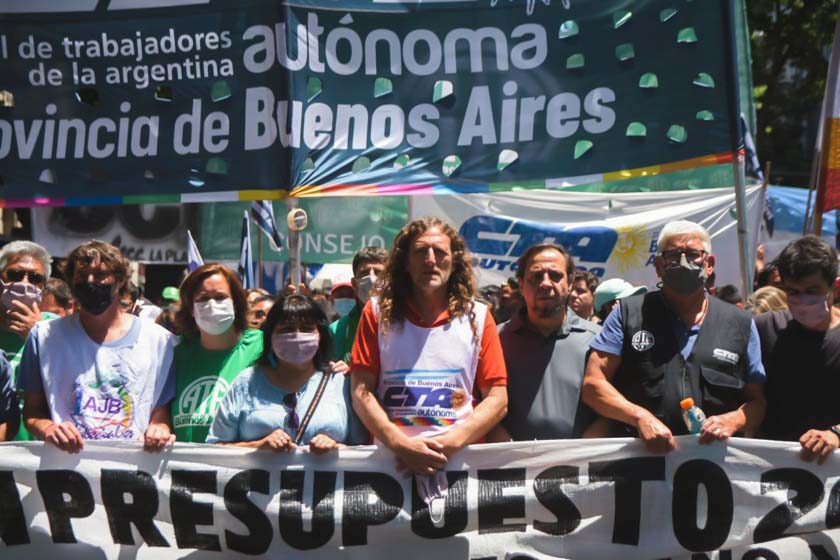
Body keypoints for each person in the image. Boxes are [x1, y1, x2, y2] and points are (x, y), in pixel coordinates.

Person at [582, 220, 766, 453]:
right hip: (640, 465)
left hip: (715, 465)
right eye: (673, 255)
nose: (682, 262)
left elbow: (757, 402)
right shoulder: (627, 314)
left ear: (709, 264)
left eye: (692, 254)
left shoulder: (740, 323)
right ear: (658, 265)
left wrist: (734, 420)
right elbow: (593, 384)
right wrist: (639, 417)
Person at [351, 217, 508, 475]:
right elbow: (360, 390)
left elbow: (497, 399)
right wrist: (400, 444)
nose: (431, 260)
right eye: (421, 251)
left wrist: (448, 445)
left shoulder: (478, 316)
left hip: (458, 464)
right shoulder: (376, 313)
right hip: (391, 465)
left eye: (440, 252)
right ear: (405, 261)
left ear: (454, 260)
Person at [18, 241, 177, 452]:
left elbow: (160, 410)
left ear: (120, 281)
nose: (91, 281)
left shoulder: (159, 340)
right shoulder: (43, 337)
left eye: (101, 275)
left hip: (134, 470)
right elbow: (32, 410)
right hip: (67, 469)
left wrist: (159, 427)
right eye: (82, 276)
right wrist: (48, 428)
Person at [208, 295, 366, 451]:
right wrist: (257, 446)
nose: (297, 335)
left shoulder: (341, 381)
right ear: (270, 336)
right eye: (287, 329)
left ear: (320, 335)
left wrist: (337, 449)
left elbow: (364, 450)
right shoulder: (246, 381)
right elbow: (214, 447)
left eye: (306, 329)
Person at [489, 243, 601, 441]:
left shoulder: (598, 340)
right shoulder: (496, 340)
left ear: (570, 283)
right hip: (513, 466)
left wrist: (582, 454)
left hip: (583, 467)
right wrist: (511, 455)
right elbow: (480, 406)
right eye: (536, 277)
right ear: (521, 285)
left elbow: (612, 410)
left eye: (555, 276)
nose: (546, 283)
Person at [754, 236, 840, 463]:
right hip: (772, 471)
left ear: (836, 287)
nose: (803, 300)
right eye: (793, 292)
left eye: (812, 291)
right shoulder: (765, 328)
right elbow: (751, 397)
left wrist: (836, 433)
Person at [171, 263, 264, 443]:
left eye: (220, 297)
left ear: (236, 303)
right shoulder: (177, 351)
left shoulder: (261, 345)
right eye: (202, 299)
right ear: (191, 308)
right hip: (183, 466)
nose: (212, 305)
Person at [329, 247, 388, 362]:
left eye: (379, 273)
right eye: (364, 273)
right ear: (354, 284)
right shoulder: (337, 330)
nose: (372, 279)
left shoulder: (404, 325)